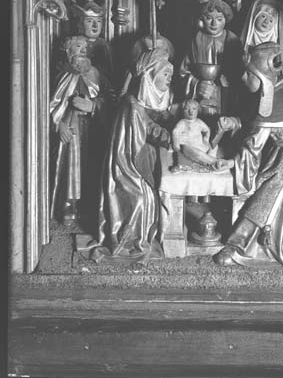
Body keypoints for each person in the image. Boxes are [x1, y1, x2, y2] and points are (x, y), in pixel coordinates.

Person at [213, 42, 283, 268]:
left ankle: (239, 247)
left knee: (264, 201)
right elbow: (258, 125)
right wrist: (235, 122)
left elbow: (254, 145)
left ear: (263, 78)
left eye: (249, 73)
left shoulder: (276, 101)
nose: (243, 77)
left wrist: (232, 163)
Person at [92, 48, 177, 263]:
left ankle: (146, 237)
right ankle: (129, 242)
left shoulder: (142, 103)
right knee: (142, 199)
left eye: (170, 75)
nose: (169, 79)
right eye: (165, 74)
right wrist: (166, 136)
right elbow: (138, 141)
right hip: (125, 167)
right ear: (150, 75)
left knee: (157, 191)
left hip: (138, 161)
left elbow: (152, 124)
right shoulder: (132, 105)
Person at [50, 35, 114, 230]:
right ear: (69, 52)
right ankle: (69, 204)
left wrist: (93, 106)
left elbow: (111, 97)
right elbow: (53, 104)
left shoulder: (96, 73)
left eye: (85, 47)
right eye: (78, 46)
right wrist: (59, 125)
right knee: (72, 165)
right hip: (73, 126)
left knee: (93, 164)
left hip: (95, 127)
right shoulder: (63, 76)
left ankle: (91, 205)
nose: (83, 50)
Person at [179, 0, 243, 120]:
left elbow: (241, 74)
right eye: (209, 18)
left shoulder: (232, 40)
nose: (214, 24)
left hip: (225, 97)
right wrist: (196, 85)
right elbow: (183, 73)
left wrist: (227, 81)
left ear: (225, 20)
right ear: (202, 20)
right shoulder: (195, 40)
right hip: (200, 100)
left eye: (219, 19)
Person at [240, 0, 283, 80]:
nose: (266, 21)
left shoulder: (281, 48)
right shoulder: (243, 43)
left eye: (271, 20)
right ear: (255, 16)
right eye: (263, 16)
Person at [171, 99, 233, 171]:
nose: (191, 111)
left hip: (201, 145)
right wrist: (176, 146)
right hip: (189, 147)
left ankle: (210, 159)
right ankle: (213, 162)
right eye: (187, 109)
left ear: (197, 110)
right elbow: (175, 132)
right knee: (198, 153)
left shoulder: (199, 122)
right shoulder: (183, 122)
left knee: (214, 146)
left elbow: (207, 130)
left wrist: (206, 140)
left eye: (194, 109)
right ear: (183, 111)